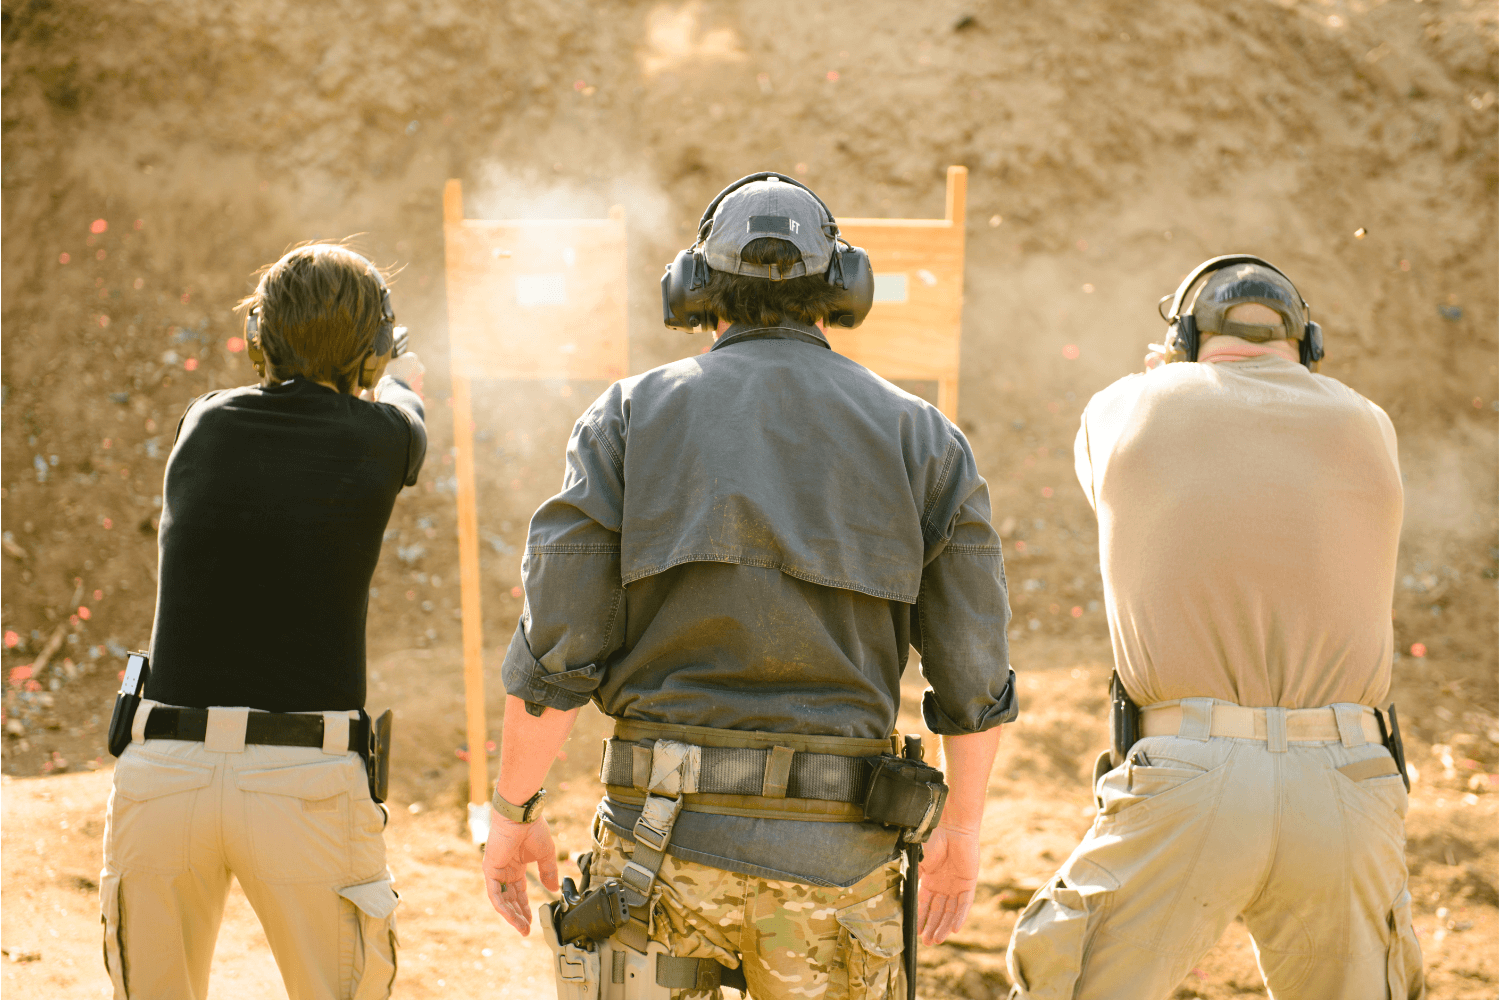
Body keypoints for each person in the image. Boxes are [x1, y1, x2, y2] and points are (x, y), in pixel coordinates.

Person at [480, 173, 1017, 1000]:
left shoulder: (626, 417)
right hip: (839, 873)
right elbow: (974, 670)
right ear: (842, 288)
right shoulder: (925, 438)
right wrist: (965, 830)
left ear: (695, 289)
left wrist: (512, 814)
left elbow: (558, 647)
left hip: (658, 860)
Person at [1006, 256, 1424, 999]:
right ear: (1306, 341)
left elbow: (1108, 478)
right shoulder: (1369, 423)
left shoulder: (1127, 406)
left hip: (1188, 772)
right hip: (1348, 775)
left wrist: (1157, 375)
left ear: (1186, 339)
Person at [99, 243, 427, 1000]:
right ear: (372, 353)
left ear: (259, 336)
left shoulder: (203, 422)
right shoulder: (385, 438)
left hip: (163, 771)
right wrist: (400, 375)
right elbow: (406, 410)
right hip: (304, 777)